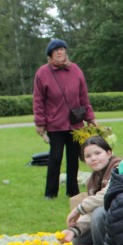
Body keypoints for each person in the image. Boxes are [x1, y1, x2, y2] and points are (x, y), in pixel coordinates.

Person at [33, 38, 96, 199]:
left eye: (62, 49)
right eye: (56, 50)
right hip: (55, 124)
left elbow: (83, 96)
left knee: (73, 159)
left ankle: (72, 191)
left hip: (75, 124)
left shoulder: (75, 70)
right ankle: (50, 193)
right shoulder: (42, 72)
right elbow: (38, 100)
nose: (60, 52)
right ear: (50, 55)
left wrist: (90, 118)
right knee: (55, 159)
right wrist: (40, 123)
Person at [58, 135, 121, 245]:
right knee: (79, 241)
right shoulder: (93, 180)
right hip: (115, 226)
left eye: (98, 153)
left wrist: (78, 209)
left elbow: (106, 195)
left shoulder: (120, 168)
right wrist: (74, 230)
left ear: (109, 153)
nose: (93, 158)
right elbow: (90, 211)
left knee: (100, 212)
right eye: (88, 156)